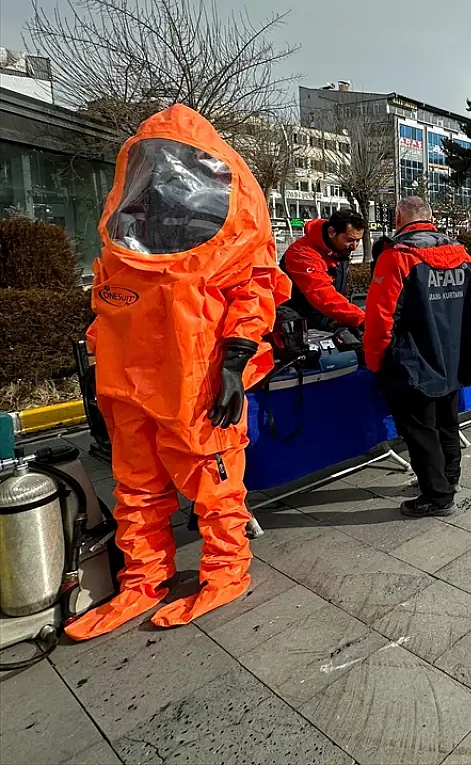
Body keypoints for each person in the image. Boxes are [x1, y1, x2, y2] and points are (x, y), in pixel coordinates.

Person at [65, 105, 291, 640]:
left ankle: (226, 570)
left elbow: (255, 289)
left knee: (213, 484)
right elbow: (110, 302)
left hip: (196, 378)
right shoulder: (131, 224)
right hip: (129, 379)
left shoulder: (234, 218)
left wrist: (234, 363)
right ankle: (144, 580)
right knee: (135, 488)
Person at [364, 197, 471, 517]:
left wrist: (377, 361)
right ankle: (449, 479)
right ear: (431, 219)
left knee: (420, 430)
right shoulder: (461, 255)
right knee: (447, 422)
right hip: (452, 356)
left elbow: (381, 317)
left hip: (414, 360)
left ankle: (437, 496)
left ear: (398, 218)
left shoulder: (397, 257)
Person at [280, 210, 366, 338]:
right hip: (297, 329)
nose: (354, 246)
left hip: (323, 325)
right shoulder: (302, 254)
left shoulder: (338, 250)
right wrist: (361, 319)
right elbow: (321, 295)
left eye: (358, 240)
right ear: (331, 232)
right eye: (350, 240)